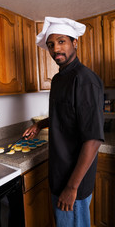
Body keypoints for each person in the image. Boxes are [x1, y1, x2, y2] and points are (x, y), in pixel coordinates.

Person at [23, 17, 104, 227]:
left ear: (74, 42)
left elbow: (93, 139)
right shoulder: (59, 79)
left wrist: (71, 188)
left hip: (73, 182)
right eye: (51, 45)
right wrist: (39, 125)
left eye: (61, 42)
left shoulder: (85, 80)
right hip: (60, 175)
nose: (55, 49)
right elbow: (65, 114)